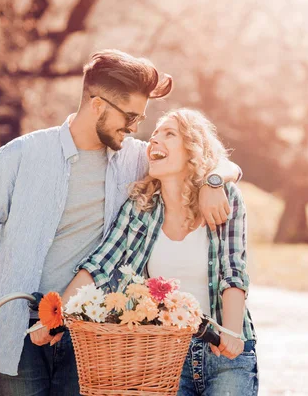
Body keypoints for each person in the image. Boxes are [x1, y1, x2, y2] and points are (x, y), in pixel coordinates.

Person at [0, 50, 242, 396]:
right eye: (130, 117)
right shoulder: (22, 155)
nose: (135, 127)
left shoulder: (136, 159)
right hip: (17, 329)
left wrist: (214, 181)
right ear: (97, 105)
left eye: (140, 119)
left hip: (91, 333)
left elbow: (202, 159)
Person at [60, 108, 258, 395]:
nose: (154, 141)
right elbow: (100, 266)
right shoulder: (141, 208)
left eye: (169, 134)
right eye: (153, 136)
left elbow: (233, 270)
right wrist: (53, 317)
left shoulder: (223, 198)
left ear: (192, 148)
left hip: (226, 352)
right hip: (164, 354)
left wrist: (230, 333)